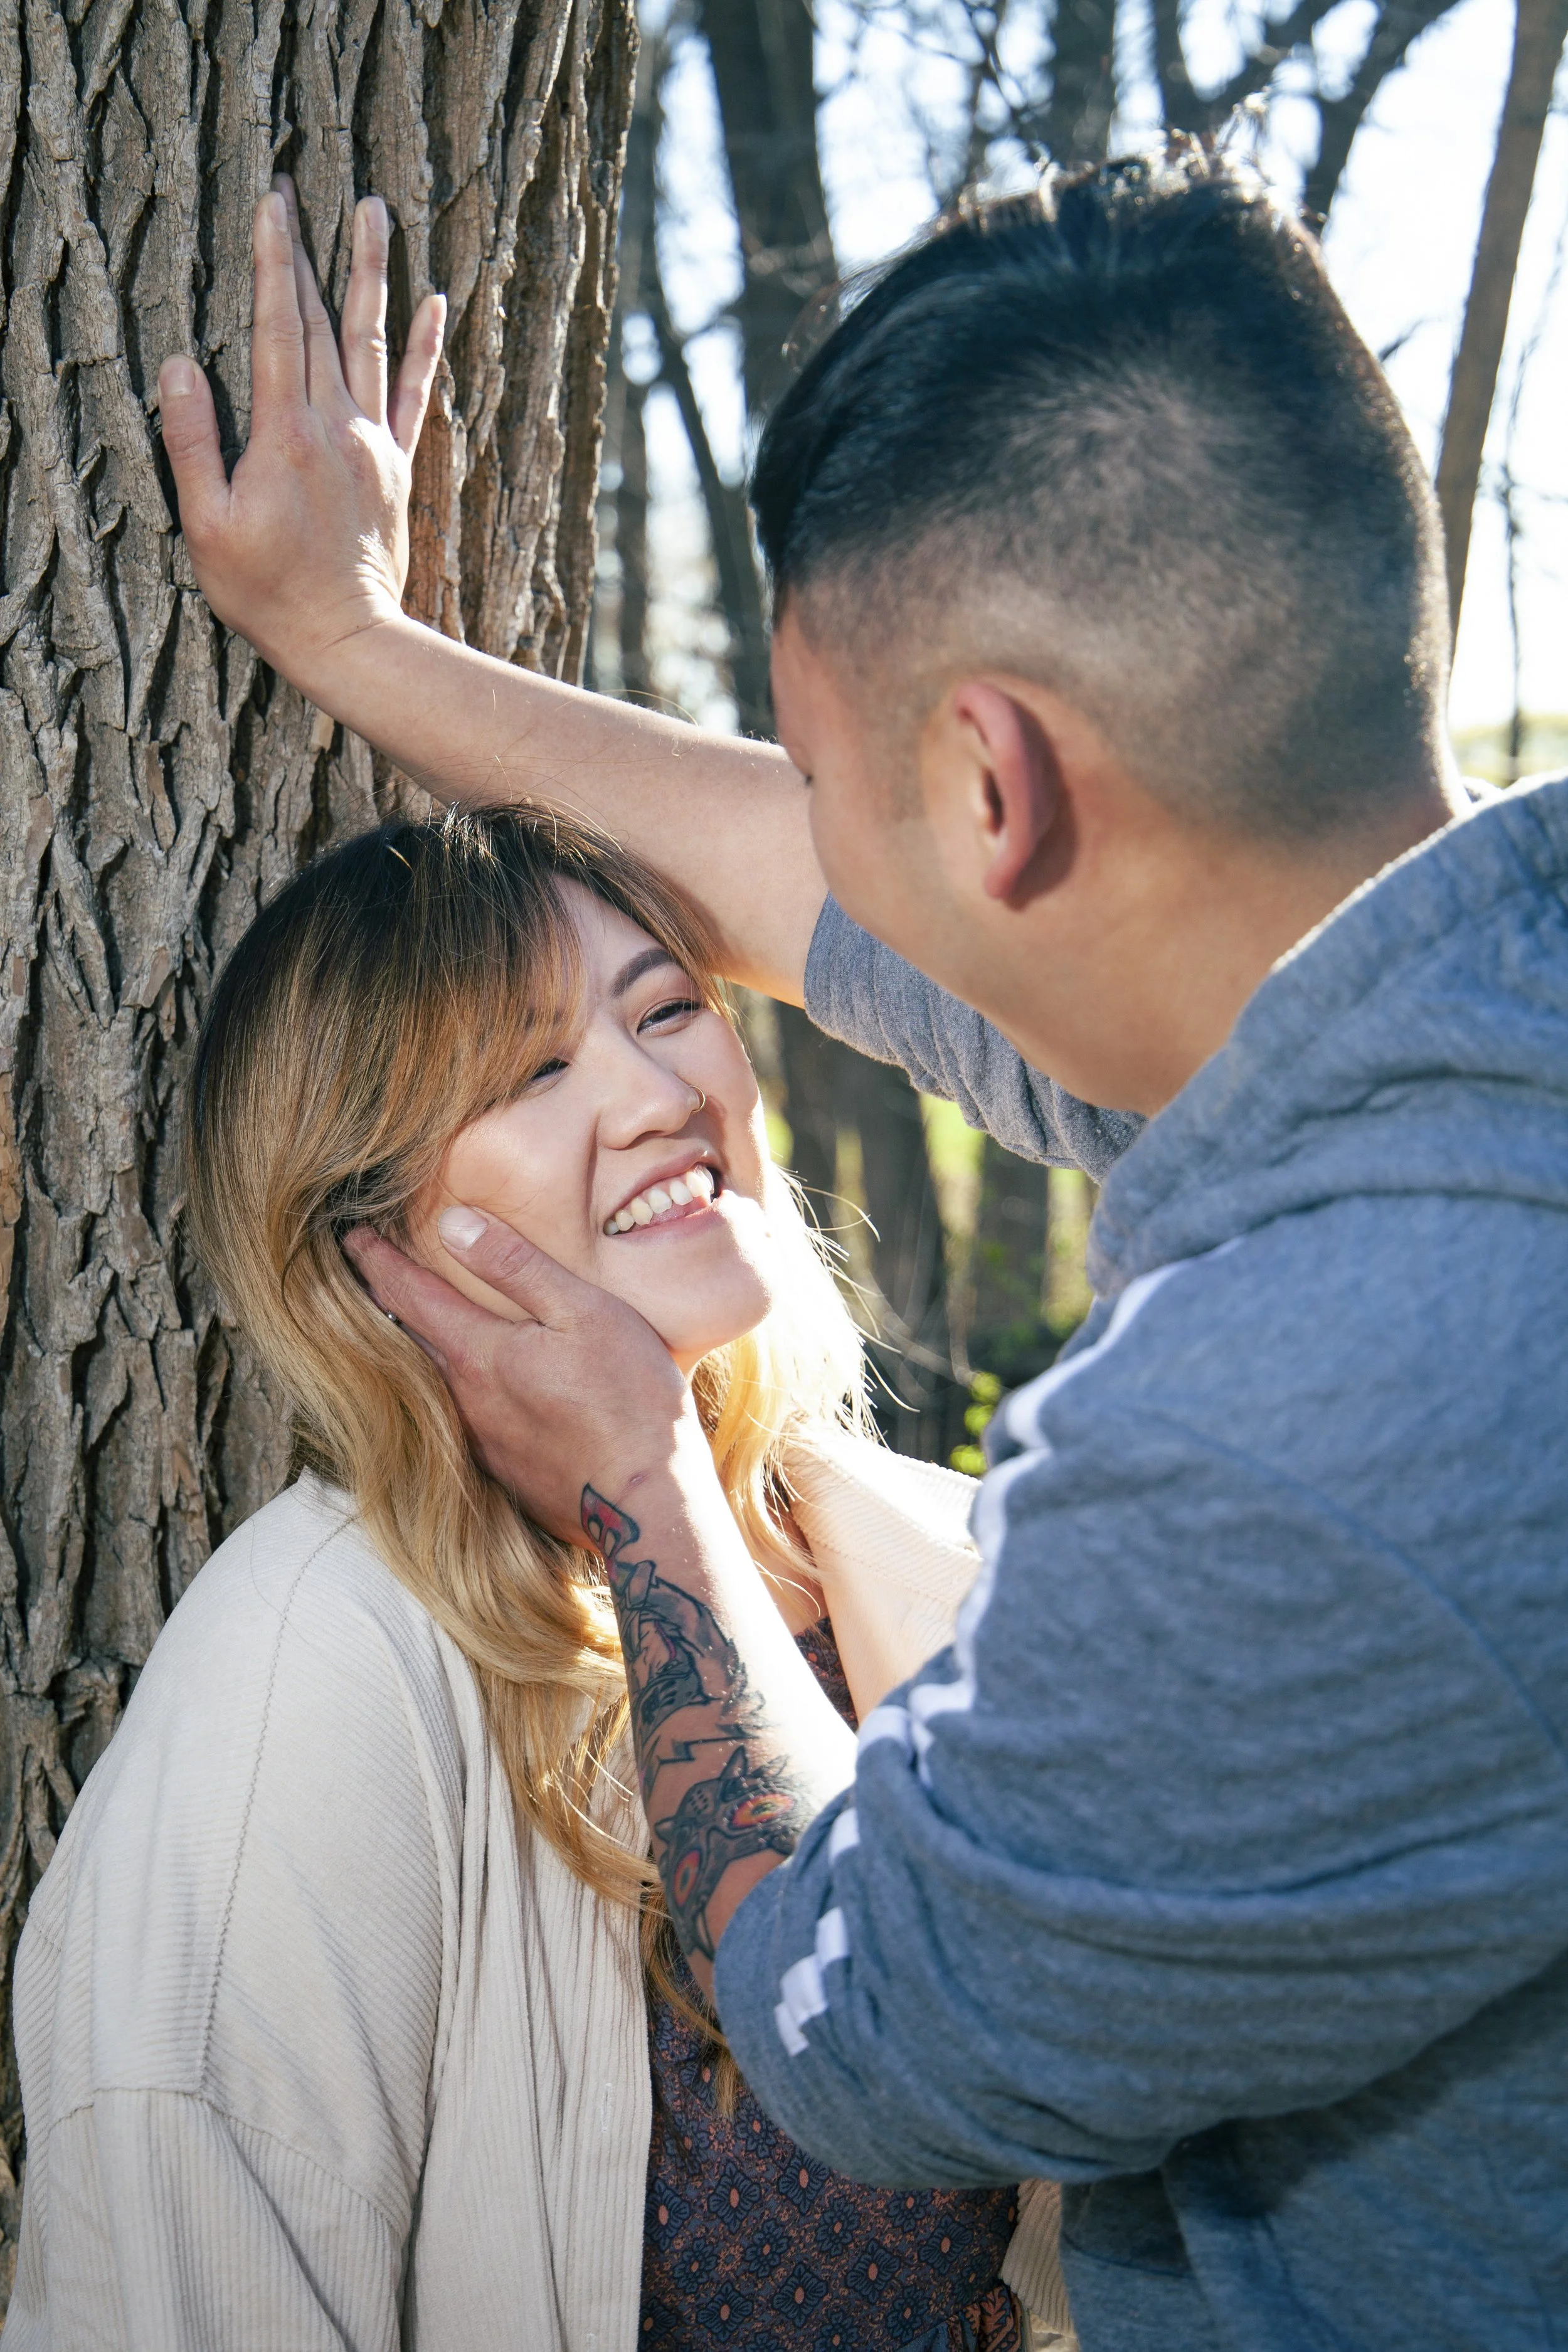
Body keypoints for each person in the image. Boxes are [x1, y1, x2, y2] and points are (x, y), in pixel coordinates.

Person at [151, 152, 1568, 2350]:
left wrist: (646, 1482)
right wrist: (348, 639)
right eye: (531, 1066)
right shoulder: (1477, 1042)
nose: (772, 925)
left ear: (995, 792)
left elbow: (889, 2034)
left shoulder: (1293, 1428)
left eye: (817, 781)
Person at [9, 805, 1071, 2351]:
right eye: (529, 1070)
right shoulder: (311, 1666)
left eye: (664, 1011)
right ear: (372, 1230)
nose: (657, 1096)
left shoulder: (960, 1558)